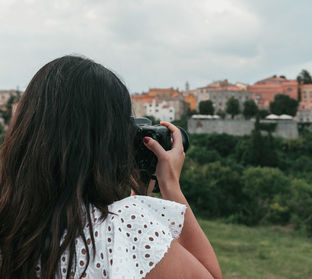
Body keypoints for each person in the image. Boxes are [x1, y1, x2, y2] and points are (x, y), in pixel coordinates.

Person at [0, 56, 222, 279]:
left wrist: (141, 192)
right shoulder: (124, 227)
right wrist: (170, 185)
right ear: (107, 141)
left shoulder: (10, 221)